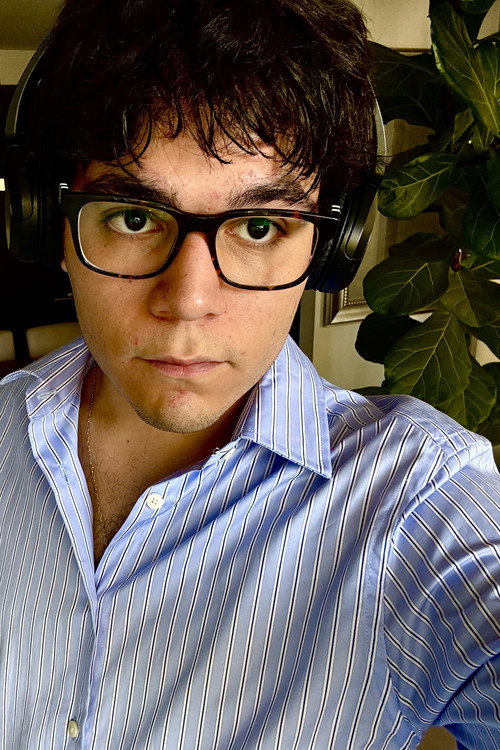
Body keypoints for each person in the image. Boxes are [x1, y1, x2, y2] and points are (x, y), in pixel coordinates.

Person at [0, 0, 498, 748]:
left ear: (329, 248)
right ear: (50, 226)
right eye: (133, 217)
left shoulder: (415, 499)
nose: (188, 301)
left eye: (259, 227)